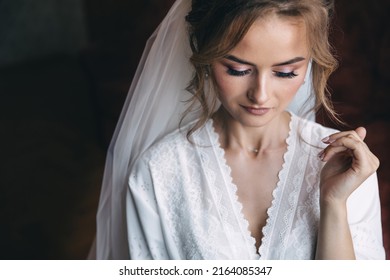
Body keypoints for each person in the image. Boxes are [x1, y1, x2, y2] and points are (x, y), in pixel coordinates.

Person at [93, 0, 386, 259]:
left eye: (285, 73)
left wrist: (333, 203)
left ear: (308, 64)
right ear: (204, 54)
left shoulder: (347, 165)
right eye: (237, 69)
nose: (260, 95)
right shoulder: (157, 172)